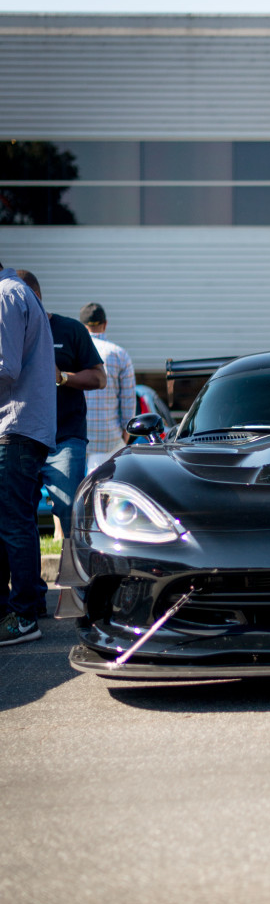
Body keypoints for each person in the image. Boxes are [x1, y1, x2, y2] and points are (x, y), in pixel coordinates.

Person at [16, 271, 106, 541]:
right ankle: (26, 581)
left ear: (34, 297)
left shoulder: (70, 330)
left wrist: (63, 377)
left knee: (69, 510)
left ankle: (76, 577)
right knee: (18, 515)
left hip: (64, 438)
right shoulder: (8, 331)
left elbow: (99, 378)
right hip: (21, 438)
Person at [0, 261, 56, 645]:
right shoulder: (19, 292)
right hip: (25, 428)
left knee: (13, 526)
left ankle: (21, 619)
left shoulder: (5, 295)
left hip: (13, 427)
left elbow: (5, 368)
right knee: (17, 523)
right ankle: (28, 606)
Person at [80, 303, 136, 473]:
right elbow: (128, 402)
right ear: (105, 324)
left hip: (76, 441)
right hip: (109, 443)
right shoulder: (119, 354)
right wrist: (125, 436)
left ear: (82, 326)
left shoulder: (76, 352)